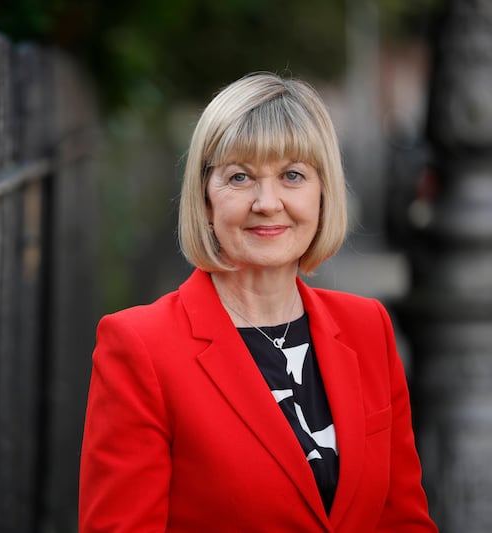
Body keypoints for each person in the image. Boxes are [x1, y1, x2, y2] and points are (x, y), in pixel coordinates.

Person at [78, 72, 437, 532]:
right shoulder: (139, 347)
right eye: (241, 177)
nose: (267, 202)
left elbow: (403, 520)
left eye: (292, 175)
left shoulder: (368, 326)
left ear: (323, 191)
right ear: (206, 199)